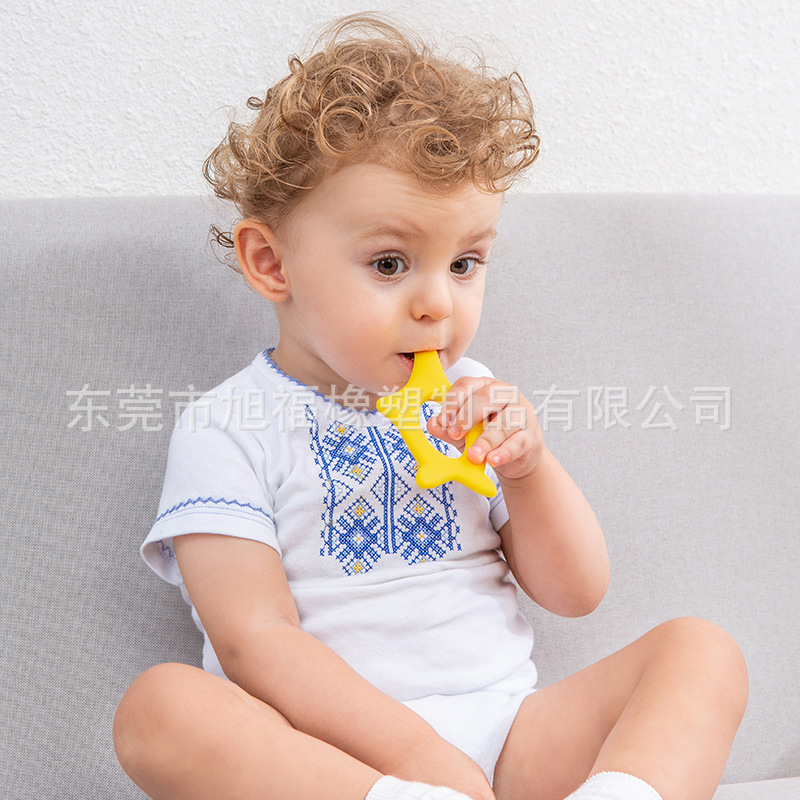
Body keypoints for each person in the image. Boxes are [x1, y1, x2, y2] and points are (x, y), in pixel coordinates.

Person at [112, 13, 747, 800]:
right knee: (160, 709)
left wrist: (530, 472)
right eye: (390, 263)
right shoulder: (227, 427)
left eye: (465, 262)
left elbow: (576, 593)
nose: (438, 304)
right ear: (271, 263)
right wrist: (415, 757)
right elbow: (253, 640)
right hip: (334, 762)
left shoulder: (473, 395)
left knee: (701, 651)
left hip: (506, 739)